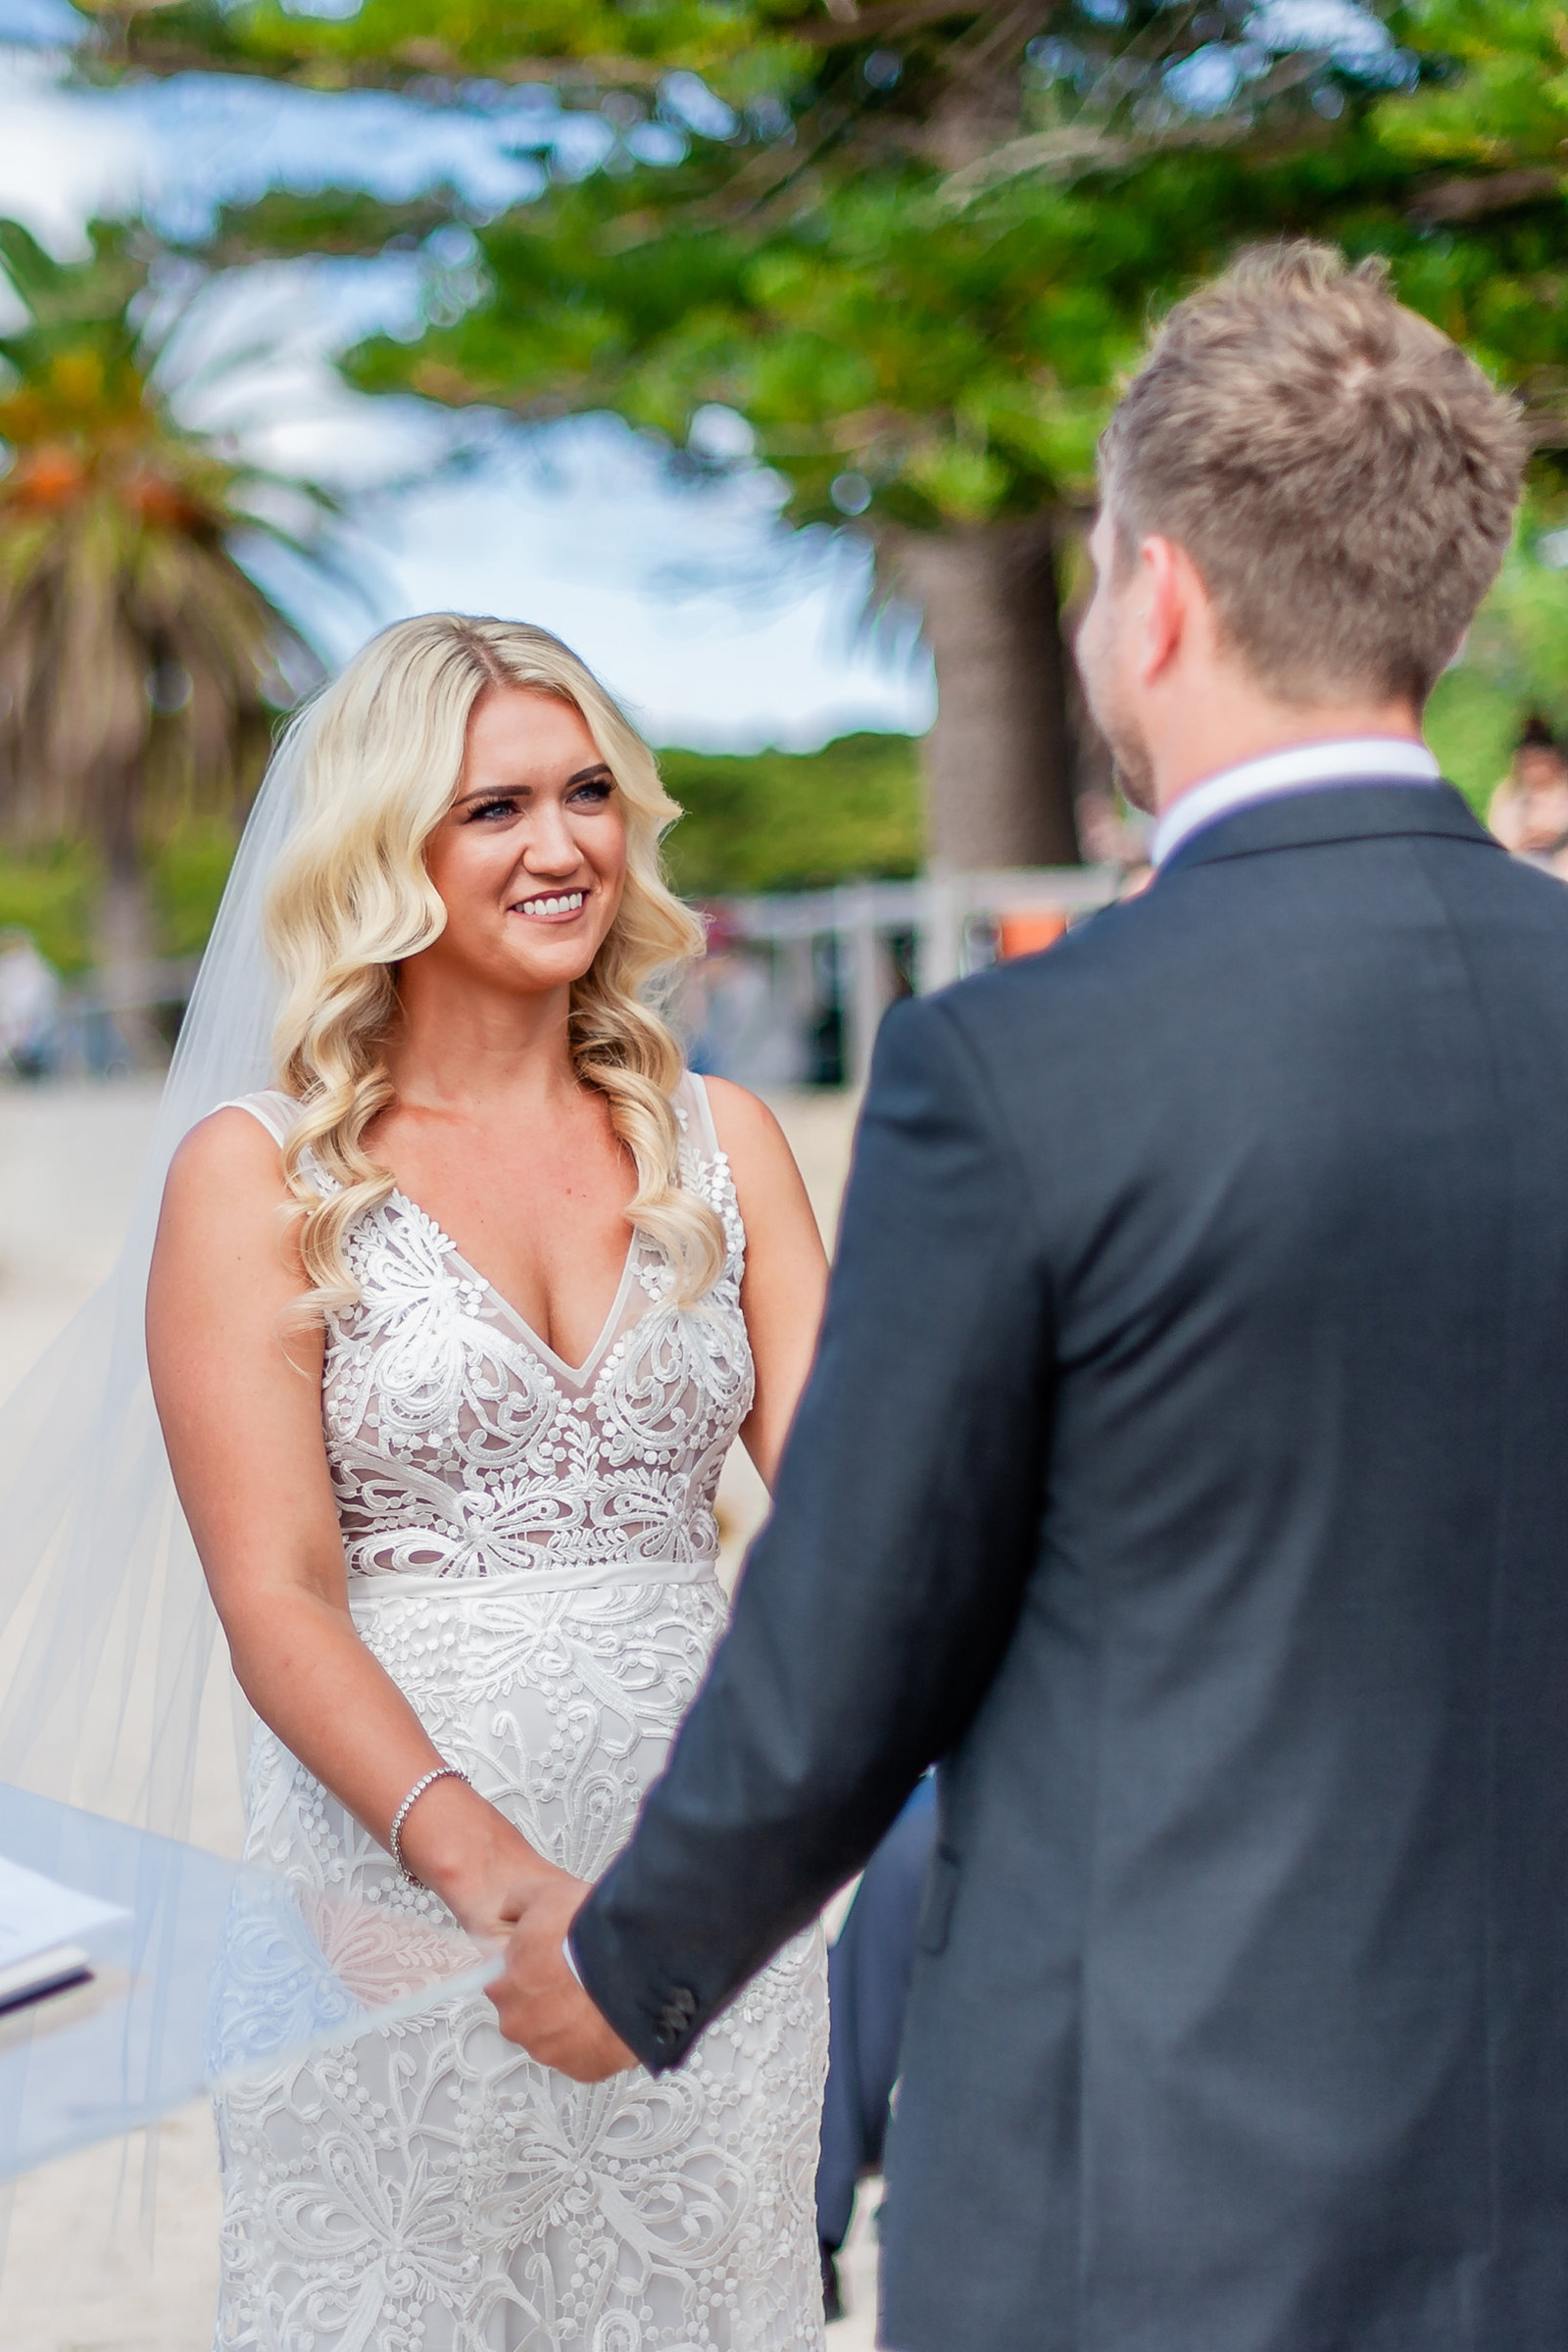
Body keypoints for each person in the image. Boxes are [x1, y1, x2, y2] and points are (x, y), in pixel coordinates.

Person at [492, 244, 1568, 2352]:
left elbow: (851, 1644)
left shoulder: (1027, 1063)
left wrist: (630, 1970)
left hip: (1161, 2183)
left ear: (1150, 599)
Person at [144, 615, 831, 2351]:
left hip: (703, 1902)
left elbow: (857, 1524)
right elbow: (274, 1597)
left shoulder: (725, 1145)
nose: (564, 845)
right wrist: (493, 1877)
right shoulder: (259, 1180)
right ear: (388, 848)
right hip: (395, 1893)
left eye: (590, 792)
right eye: (496, 808)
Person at [1487, 713, 1568, 869]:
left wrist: (1551, 836)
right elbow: (1500, 837)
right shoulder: (1509, 793)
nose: (1536, 771)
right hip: (1522, 864)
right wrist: (1526, 839)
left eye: (1540, 762)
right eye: (1530, 764)